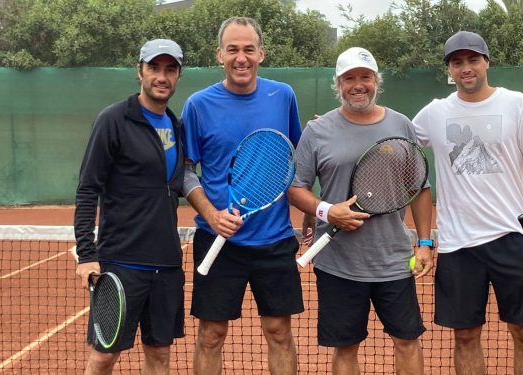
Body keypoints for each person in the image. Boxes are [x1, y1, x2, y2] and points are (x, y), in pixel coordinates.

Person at [412, 31, 523, 374]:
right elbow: (393, 140)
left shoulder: (516, 104)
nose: (466, 68)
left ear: (486, 62)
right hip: (457, 245)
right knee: (465, 337)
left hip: (512, 240)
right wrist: (343, 123)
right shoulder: (434, 113)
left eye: (473, 60)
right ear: (449, 68)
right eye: (457, 62)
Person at [288, 47, 434, 375]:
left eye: (365, 77)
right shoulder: (318, 130)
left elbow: (420, 188)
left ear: (376, 81)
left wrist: (425, 243)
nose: (358, 85)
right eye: (349, 78)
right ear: (338, 84)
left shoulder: (401, 124)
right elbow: (295, 188)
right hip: (337, 264)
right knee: (345, 347)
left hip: (394, 262)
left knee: (407, 341)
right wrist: (327, 212)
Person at [181, 16, 304, 375]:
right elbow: (186, 170)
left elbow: (295, 158)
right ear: (219, 54)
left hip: (275, 239)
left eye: (249, 49)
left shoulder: (282, 96)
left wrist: (312, 213)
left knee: (279, 332)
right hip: (217, 237)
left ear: (261, 53)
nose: (241, 57)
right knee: (211, 335)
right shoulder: (198, 105)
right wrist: (211, 213)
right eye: (232, 49)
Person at [74, 38, 186, 375]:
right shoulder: (113, 120)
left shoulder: (176, 125)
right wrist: (86, 253)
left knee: (159, 354)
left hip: (166, 265)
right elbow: (87, 189)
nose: (161, 77)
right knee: (104, 356)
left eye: (170, 69)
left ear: (178, 75)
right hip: (120, 263)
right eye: (154, 68)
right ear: (140, 71)